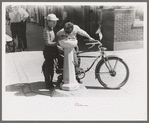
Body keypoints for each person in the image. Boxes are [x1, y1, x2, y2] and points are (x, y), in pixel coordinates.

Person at [42, 14, 63, 89]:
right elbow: (48, 43)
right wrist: (57, 43)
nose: (55, 23)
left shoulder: (51, 28)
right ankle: (48, 84)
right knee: (49, 68)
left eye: (55, 22)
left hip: (53, 50)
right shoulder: (46, 31)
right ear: (49, 22)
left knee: (62, 58)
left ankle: (61, 75)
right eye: (53, 22)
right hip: (48, 51)